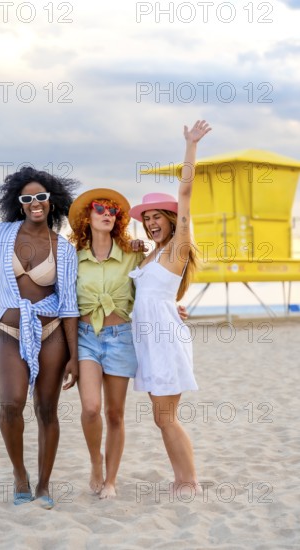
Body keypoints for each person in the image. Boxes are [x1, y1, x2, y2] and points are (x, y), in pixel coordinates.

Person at [0, 167, 80, 509]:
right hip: (9, 331)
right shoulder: (2, 234)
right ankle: (20, 475)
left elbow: (68, 307)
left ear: (52, 201)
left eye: (41, 197)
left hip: (52, 334)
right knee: (11, 404)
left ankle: (44, 484)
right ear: (18, 204)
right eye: (27, 198)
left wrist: (75, 358)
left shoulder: (63, 249)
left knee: (47, 409)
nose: (35, 203)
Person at [128, 120, 212, 494]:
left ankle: (188, 481)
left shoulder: (177, 247)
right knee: (161, 418)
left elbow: (187, 192)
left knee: (166, 417)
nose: (150, 223)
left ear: (171, 219)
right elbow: (143, 297)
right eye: (146, 219)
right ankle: (182, 478)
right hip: (148, 341)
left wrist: (190, 146)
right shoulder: (151, 256)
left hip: (164, 342)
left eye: (156, 216)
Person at [68, 188, 143, 499]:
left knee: (114, 414)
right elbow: (66, 308)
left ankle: (110, 480)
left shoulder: (133, 255)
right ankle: (95, 462)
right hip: (86, 338)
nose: (106, 214)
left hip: (120, 338)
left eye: (112, 211)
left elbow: (153, 290)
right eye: (100, 208)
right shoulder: (73, 260)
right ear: (88, 217)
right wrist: (70, 355)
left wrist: (174, 306)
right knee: (90, 408)